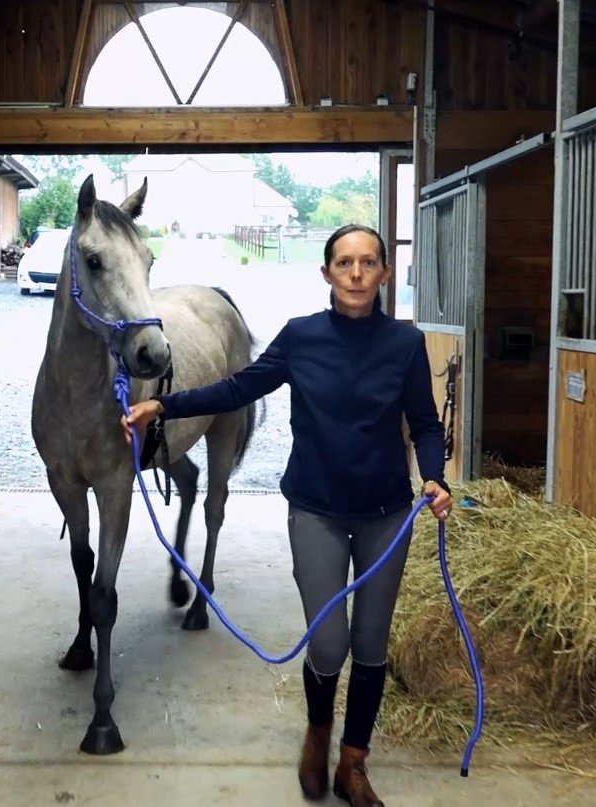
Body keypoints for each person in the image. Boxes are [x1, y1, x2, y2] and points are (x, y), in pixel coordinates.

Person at [121, 224, 452, 807]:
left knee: (370, 644)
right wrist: (163, 405)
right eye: (344, 263)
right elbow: (237, 389)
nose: (356, 273)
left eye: (368, 262)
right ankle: (318, 732)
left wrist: (434, 475)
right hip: (316, 511)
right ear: (326, 273)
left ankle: (354, 763)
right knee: (328, 643)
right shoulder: (302, 337)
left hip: (385, 514)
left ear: (384, 273)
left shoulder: (405, 343)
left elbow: (425, 423)